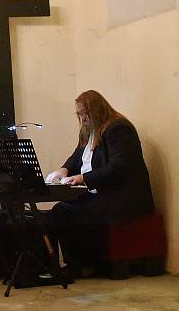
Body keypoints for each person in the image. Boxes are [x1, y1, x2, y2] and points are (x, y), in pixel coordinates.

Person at [46, 90, 155, 278]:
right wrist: (63, 170)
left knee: (69, 213)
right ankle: (77, 263)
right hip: (101, 194)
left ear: (96, 111)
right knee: (60, 210)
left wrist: (82, 178)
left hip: (121, 199)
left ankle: (80, 264)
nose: (82, 118)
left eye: (84, 113)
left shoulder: (118, 128)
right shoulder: (89, 131)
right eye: (79, 113)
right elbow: (77, 156)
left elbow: (119, 167)